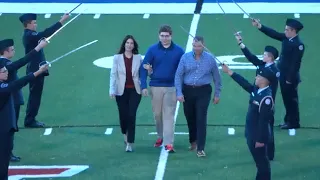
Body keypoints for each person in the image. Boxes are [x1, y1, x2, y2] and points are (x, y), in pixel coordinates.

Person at [222, 63, 274, 180]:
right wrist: (230, 72)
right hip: (251, 133)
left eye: (258, 77)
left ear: (265, 80)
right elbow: (245, 84)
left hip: (257, 136)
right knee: (259, 163)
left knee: (262, 164)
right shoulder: (258, 90)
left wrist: (260, 140)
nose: (256, 78)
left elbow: (264, 121)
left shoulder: (266, 98)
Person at [0, 39, 48, 162]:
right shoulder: (4, 64)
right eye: (12, 49)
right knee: (9, 129)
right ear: (5, 51)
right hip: (9, 100)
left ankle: (7, 152)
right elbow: (22, 62)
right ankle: (7, 153)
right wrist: (38, 48)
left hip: (10, 99)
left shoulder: (4, 63)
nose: (14, 51)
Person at [252, 18, 304, 129]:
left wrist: (289, 79)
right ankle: (289, 120)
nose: (284, 31)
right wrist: (260, 26)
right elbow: (274, 34)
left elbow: (295, 64)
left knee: (291, 100)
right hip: (284, 75)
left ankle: (294, 122)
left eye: (287, 30)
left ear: (293, 31)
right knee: (287, 99)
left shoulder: (298, 45)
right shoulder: (287, 38)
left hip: (289, 78)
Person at [139, 24, 184, 153]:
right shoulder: (152, 50)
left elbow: (182, 71)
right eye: (162, 36)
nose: (164, 38)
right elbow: (144, 67)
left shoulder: (179, 51)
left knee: (169, 115)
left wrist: (181, 89)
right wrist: (143, 86)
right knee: (157, 115)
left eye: (167, 36)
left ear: (171, 36)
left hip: (171, 87)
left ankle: (169, 143)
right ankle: (160, 136)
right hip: (155, 86)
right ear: (159, 36)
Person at [19, 13, 69, 128]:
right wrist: (61, 21)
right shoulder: (30, 35)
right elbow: (45, 33)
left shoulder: (30, 35)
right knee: (35, 96)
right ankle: (30, 120)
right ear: (28, 24)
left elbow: (43, 35)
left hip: (37, 67)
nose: (36, 24)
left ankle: (31, 119)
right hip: (35, 69)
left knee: (36, 95)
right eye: (34, 23)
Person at [174, 36, 222, 157]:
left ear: (204, 46)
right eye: (194, 46)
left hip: (203, 91)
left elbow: (217, 77)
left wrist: (217, 93)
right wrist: (179, 92)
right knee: (190, 117)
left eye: (199, 46)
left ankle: (201, 148)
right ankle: (193, 141)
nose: (196, 48)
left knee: (201, 118)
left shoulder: (210, 59)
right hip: (188, 90)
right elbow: (178, 75)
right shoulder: (185, 57)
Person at [235, 34, 279, 160]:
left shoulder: (274, 72)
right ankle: (261, 150)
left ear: (270, 57)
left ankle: (270, 154)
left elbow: (271, 90)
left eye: (265, 54)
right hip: (257, 100)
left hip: (265, 104)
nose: (262, 56)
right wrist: (240, 44)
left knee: (267, 129)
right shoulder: (263, 66)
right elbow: (251, 57)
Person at [109, 35, 143, 152]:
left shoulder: (138, 58)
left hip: (135, 90)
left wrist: (144, 85)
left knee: (131, 114)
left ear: (134, 45)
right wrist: (111, 90)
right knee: (123, 115)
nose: (129, 45)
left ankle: (130, 142)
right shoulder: (117, 58)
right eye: (127, 43)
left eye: (131, 43)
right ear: (124, 44)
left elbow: (142, 74)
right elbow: (113, 74)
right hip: (120, 91)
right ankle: (125, 134)